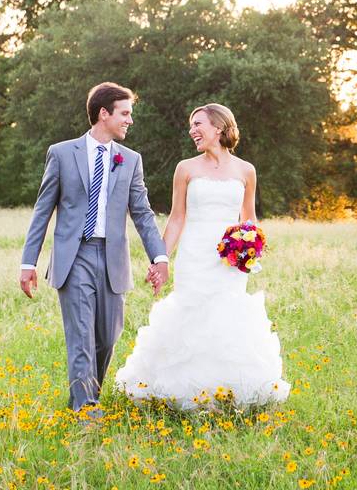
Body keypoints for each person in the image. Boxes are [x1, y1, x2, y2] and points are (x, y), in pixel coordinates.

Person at [115, 103, 289, 409]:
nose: (192, 130)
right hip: (194, 255)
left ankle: (229, 392)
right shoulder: (186, 168)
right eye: (191, 125)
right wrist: (161, 259)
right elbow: (177, 218)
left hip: (229, 261)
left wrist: (250, 247)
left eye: (198, 124)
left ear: (219, 127)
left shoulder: (246, 170)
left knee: (227, 316)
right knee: (192, 312)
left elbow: (248, 219)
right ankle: (183, 390)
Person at [19, 82, 170, 414]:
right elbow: (43, 210)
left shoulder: (130, 160)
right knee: (82, 336)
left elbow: (142, 212)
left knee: (106, 338)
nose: (130, 120)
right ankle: (87, 408)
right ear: (104, 113)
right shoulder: (61, 153)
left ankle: (85, 395)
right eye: (125, 113)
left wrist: (159, 257)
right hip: (74, 257)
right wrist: (27, 263)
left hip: (113, 259)